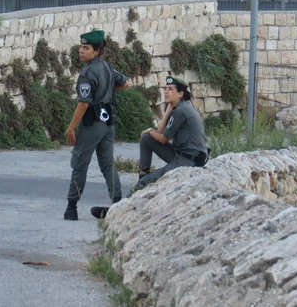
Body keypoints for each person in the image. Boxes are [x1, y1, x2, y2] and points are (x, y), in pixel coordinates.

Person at [64, 30, 130, 221]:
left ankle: (71, 207)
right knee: (107, 164)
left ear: (97, 50)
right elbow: (125, 83)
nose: (81, 51)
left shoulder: (87, 73)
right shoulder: (107, 67)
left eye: (86, 48)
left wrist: (71, 127)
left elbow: (83, 103)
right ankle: (118, 202)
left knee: (80, 164)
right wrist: (107, 90)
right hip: (108, 121)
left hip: (92, 123)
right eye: (81, 47)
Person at [137, 76, 208, 188]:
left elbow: (163, 139)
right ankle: (144, 173)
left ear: (180, 94)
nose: (166, 92)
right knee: (146, 138)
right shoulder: (180, 106)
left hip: (189, 161)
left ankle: (143, 181)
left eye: (170, 89)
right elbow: (160, 131)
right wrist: (168, 110)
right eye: (165, 89)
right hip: (180, 154)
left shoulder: (181, 111)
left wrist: (150, 130)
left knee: (144, 183)